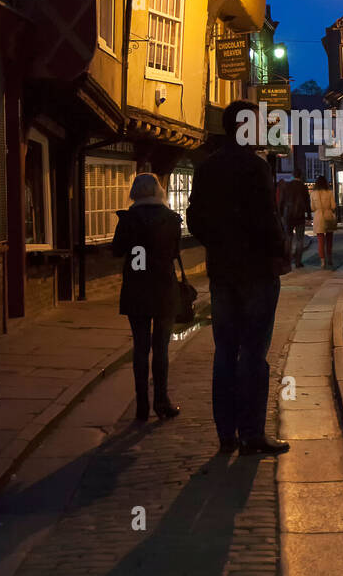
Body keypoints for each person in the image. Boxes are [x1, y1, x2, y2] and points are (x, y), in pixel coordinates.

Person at [187, 99, 290, 456]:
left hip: (222, 271)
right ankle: (251, 433)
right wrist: (279, 253)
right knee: (253, 353)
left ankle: (225, 434)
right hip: (257, 271)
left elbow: (195, 218)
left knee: (225, 351)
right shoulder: (254, 167)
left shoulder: (207, 167)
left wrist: (218, 244)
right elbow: (266, 217)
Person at [112, 172, 182, 423]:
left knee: (140, 348)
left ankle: (141, 405)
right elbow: (174, 252)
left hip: (137, 287)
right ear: (158, 191)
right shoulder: (171, 219)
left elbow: (116, 250)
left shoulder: (128, 219)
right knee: (161, 348)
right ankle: (161, 402)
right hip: (163, 287)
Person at [278, 167, 311, 268]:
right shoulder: (303, 187)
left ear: (293, 175)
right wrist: (309, 216)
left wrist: (280, 214)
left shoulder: (287, 186)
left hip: (288, 215)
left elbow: (282, 201)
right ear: (300, 175)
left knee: (288, 238)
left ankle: (287, 261)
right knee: (300, 239)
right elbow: (307, 202)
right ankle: (298, 261)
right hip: (300, 215)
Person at [310, 174, 337, 269]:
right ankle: (329, 258)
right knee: (329, 240)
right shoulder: (329, 193)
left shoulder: (313, 194)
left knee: (320, 240)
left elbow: (312, 207)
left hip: (318, 217)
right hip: (328, 216)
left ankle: (322, 261)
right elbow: (333, 206)